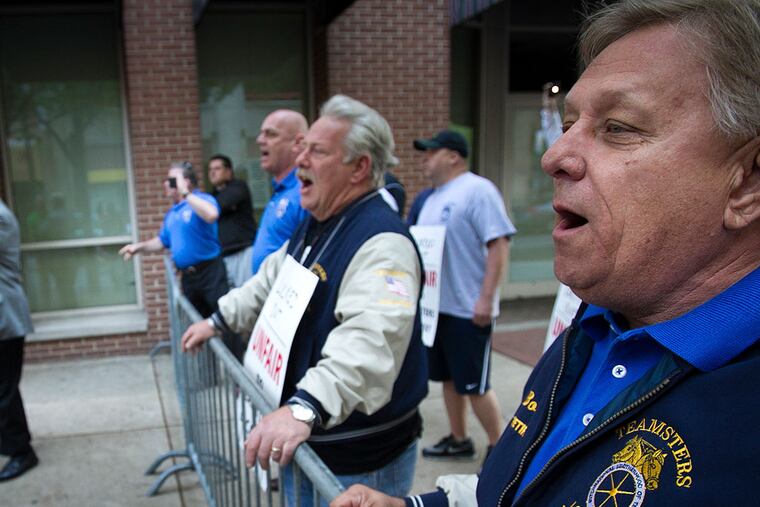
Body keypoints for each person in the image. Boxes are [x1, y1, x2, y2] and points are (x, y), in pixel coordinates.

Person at [332, 0, 760, 505]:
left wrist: (484, 300)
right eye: (568, 124)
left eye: (618, 127)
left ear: (747, 182)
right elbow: (530, 480)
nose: (553, 156)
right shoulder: (593, 325)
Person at [182, 95, 428, 504]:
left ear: (360, 167)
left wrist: (304, 408)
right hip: (313, 442)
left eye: (317, 151)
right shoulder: (317, 224)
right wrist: (218, 320)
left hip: (359, 461)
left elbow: (369, 342)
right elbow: (268, 281)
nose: (301, 161)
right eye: (302, 148)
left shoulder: (382, 243)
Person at [412, 130, 516, 460]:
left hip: (468, 309)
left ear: (453, 155)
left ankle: (500, 447)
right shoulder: (430, 199)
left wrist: (486, 299)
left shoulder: (477, 191)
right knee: (448, 379)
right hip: (437, 310)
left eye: (431, 152)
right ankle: (459, 439)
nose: (424, 159)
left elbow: (498, 244)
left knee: (475, 385)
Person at [119, 162, 242, 358]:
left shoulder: (202, 199)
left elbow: (212, 215)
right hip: (189, 278)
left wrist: (187, 194)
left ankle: (236, 378)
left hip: (210, 272)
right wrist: (138, 248)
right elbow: (162, 241)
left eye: (171, 180)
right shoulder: (172, 213)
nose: (166, 184)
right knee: (197, 325)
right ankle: (209, 378)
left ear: (186, 182)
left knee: (224, 320)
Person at [0, 199, 37, 482]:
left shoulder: (1, 217)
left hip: (6, 318)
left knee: (5, 390)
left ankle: (22, 452)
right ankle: (9, 440)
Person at [251, 109, 310, 274]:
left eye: (270, 134)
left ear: (298, 143)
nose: (260, 140)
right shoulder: (281, 190)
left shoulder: (306, 191)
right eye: (261, 133)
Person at [208, 154, 257, 288]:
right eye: (210, 169)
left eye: (217, 168)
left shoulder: (238, 187)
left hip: (243, 252)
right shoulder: (211, 196)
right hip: (223, 256)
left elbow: (221, 204)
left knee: (248, 295)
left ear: (228, 171)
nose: (212, 172)